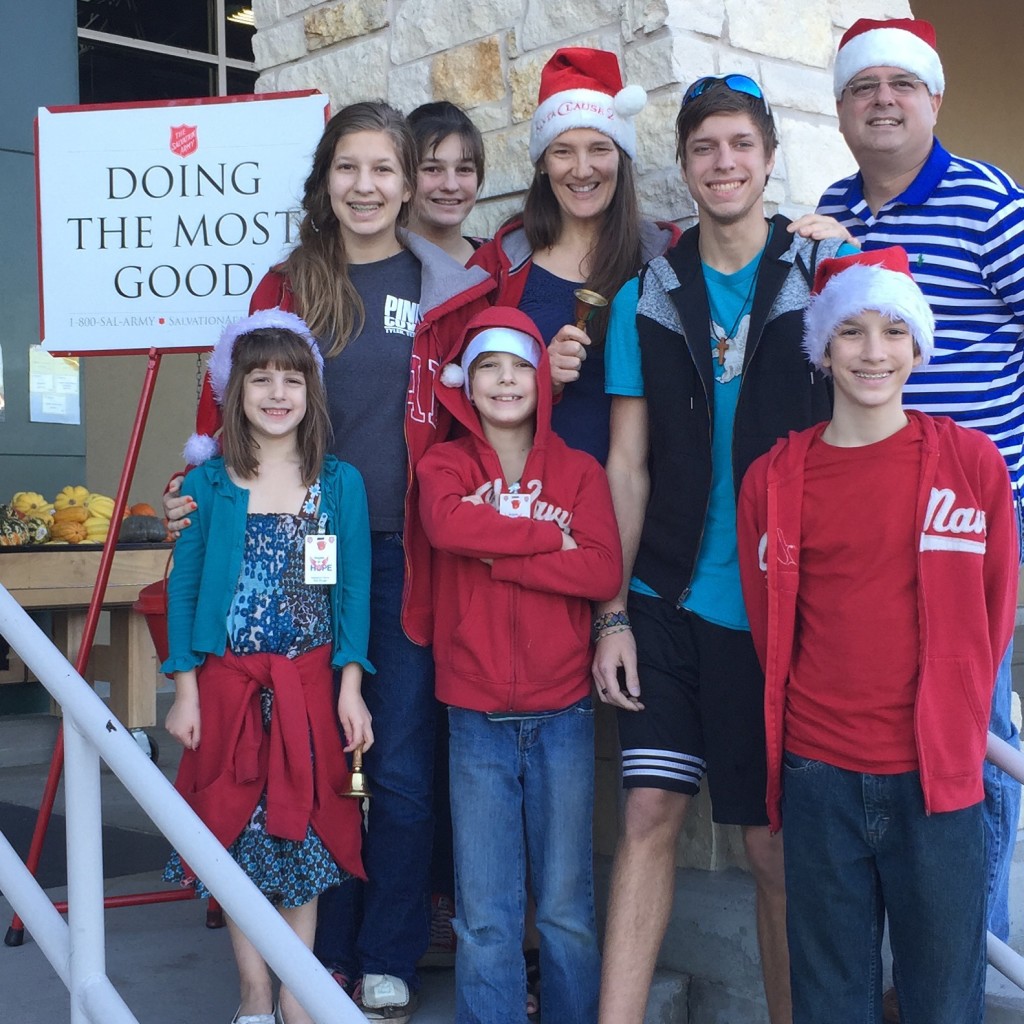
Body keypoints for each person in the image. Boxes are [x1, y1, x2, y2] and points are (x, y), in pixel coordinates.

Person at [165, 101, 496, 1024]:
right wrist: (195, 489)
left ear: (407, 181)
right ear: (326, 180)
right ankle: (319, 958)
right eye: (348, 168)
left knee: (391, 762)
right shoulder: (287, 284)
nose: (366, 187)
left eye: (384, 170)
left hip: (402, 549)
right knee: (301, 762)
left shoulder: (450, 286)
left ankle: (385, 952)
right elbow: (226, 402)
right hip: (291, 547)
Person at [591, 74, 854, 1024]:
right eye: (705, 148)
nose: (724, 163)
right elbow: (626, 467)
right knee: (648, 816)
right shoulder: (647, 295)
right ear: (685, 165)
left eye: (741, 145)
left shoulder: (825, 279)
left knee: (771, 846)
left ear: (770, 158)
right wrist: (611, 612)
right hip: (664, 597)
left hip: (781, 611)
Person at [737, 246, 1018, 1023]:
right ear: (823, 349)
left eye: (894, 330)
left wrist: (958, 719)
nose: (873, 351)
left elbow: (995, 612)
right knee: (830, 999)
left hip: (939, 781)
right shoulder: (775, 477)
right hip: (820, 774)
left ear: (918, 346)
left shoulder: (971, 464)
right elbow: (770, 625)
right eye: (852, 331)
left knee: (942, 999)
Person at [805, 13, 1024, 963]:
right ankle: (913, 963)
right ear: (843, 109)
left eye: (901, 85)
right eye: (862, 88)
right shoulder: (832, 206)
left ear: (933, 98)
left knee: (974, 734)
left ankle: (969, 960)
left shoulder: (992, 205)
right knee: (894, 745)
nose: (882, 101)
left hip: (968, 524)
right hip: (863, 531)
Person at [161, 309, 375, 1024]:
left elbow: (351, 592)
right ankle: (254, 993)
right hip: (227, 688)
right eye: (261, 379)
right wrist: (185, 689)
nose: (277, 392)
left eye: (292, 378)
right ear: (235, 391)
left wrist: (351, 686)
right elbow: (184, 590)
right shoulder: (207, 485)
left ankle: (297, 992)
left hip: (309, 687)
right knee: (239, 841)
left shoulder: (338, 484)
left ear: (312, 390)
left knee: (304, 840)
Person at [416, 306, 622, 1024]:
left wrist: (498, 552)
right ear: (465, 386)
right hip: (475, 715)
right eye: (488, 369)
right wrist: (544, 540)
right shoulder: (442, 464)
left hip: (562, 710)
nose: (506, 381)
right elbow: (446, 525)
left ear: (543, 377)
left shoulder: (579, 470)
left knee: (565, 904)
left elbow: (599, 572)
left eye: (518, 367)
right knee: (486, 912)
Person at [470, 46, 680, 464]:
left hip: (642, 501)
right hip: (529, 502)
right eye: (563, 150)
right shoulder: (500, 265)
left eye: (599, 148)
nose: (582, 169)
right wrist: (537, 375)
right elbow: (462, 393)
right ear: (543, 163)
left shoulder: (666, 259)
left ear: (622, 156)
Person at [407, 100, 487, 265]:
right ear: (405, 176)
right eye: (432, 169)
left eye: (464, 169)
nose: (451, 185)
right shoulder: (379, 269)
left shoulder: (501, 263)